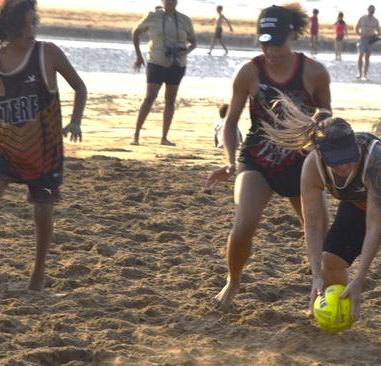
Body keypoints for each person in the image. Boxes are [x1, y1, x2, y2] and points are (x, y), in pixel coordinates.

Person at [261, 96, 381, 347]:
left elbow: (375, 226)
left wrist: (360, 280)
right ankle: (341, 308)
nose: (344, 165)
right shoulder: (313, 166)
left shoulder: (375, 160)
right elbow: (312, 225)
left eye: (348, 156)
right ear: (321, 154)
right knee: (330, 260)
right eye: (337, 160)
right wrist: (316, 276)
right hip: (361, 200)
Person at [206, 4, 331, 311]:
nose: (271, 49)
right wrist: (229, 160)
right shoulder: (249, 72)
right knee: (245, 222)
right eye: (265, 42)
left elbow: (327, 123)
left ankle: (322, 289)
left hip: (302, 163)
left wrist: (327, 163)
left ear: (292, 35)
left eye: (277, 41)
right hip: (258, 160)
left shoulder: (314, 73)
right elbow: (231, 122)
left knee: (320, 230)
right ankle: (233, 281)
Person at [0, 0, 86, 290]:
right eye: (25, 24)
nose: (32, 29)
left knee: (43, 211)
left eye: (34, 22)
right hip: (7, 147)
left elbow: (80, 86)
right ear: (8, 27)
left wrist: (75, 121)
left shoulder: (47, 54)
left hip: (46, 153)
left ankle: (38, 271)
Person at [131, 0, 197, 146]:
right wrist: (139, 56)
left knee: (170, 100)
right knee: (149, 97)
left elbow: (194, 42)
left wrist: (185, 52)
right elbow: (135, 32)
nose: (170, 2)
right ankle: (136, 135)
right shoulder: (153, 16)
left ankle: (164, 137)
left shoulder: (184, 19)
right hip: (156, 62)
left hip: (177, 64)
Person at [354, 5, 380, 81]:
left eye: (373, 10)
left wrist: (374, 38)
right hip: (362, 39)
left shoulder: (375, 20)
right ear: (368, 10)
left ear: (374, 11)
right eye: (370, 10)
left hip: (370, 40)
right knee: (360, 55)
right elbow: (356, 28)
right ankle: (359, 73)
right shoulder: (362, 18)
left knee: (367, 57)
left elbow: (379, 32)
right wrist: (359, 34)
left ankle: (365, 75)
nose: (371, 11)